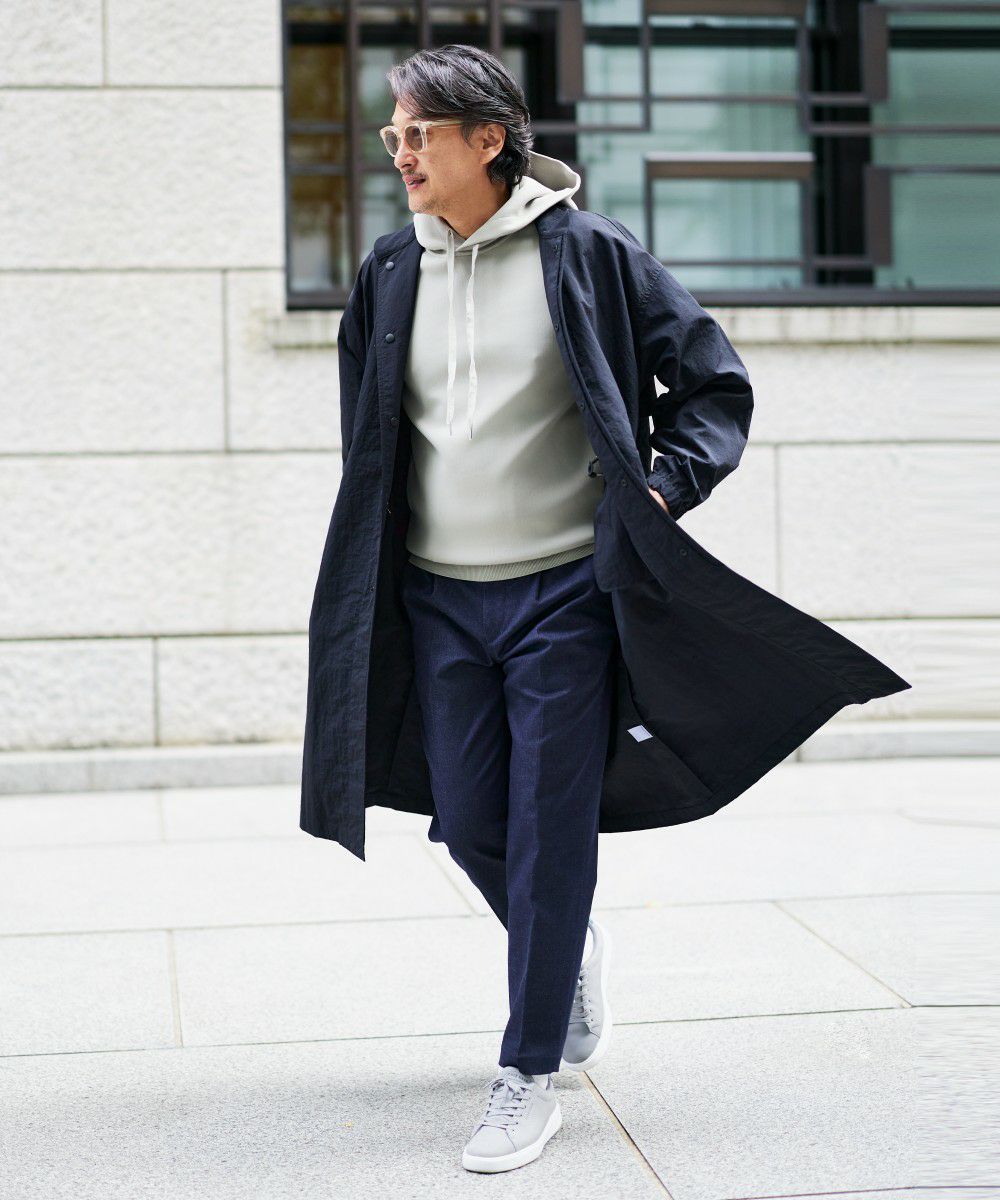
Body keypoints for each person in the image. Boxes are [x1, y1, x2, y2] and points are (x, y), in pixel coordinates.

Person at [373, 44, 720, 1174]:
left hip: (564, 592)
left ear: (489, 139)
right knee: (470, 821)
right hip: (439, 597)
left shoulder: (588, 252)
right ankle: (564, 951)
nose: (400, 152)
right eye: (393, 133)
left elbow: (710, 382)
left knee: (548, 822)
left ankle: (526, 1071)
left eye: (419, 132)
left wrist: (660, 489)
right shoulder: (391, 268)